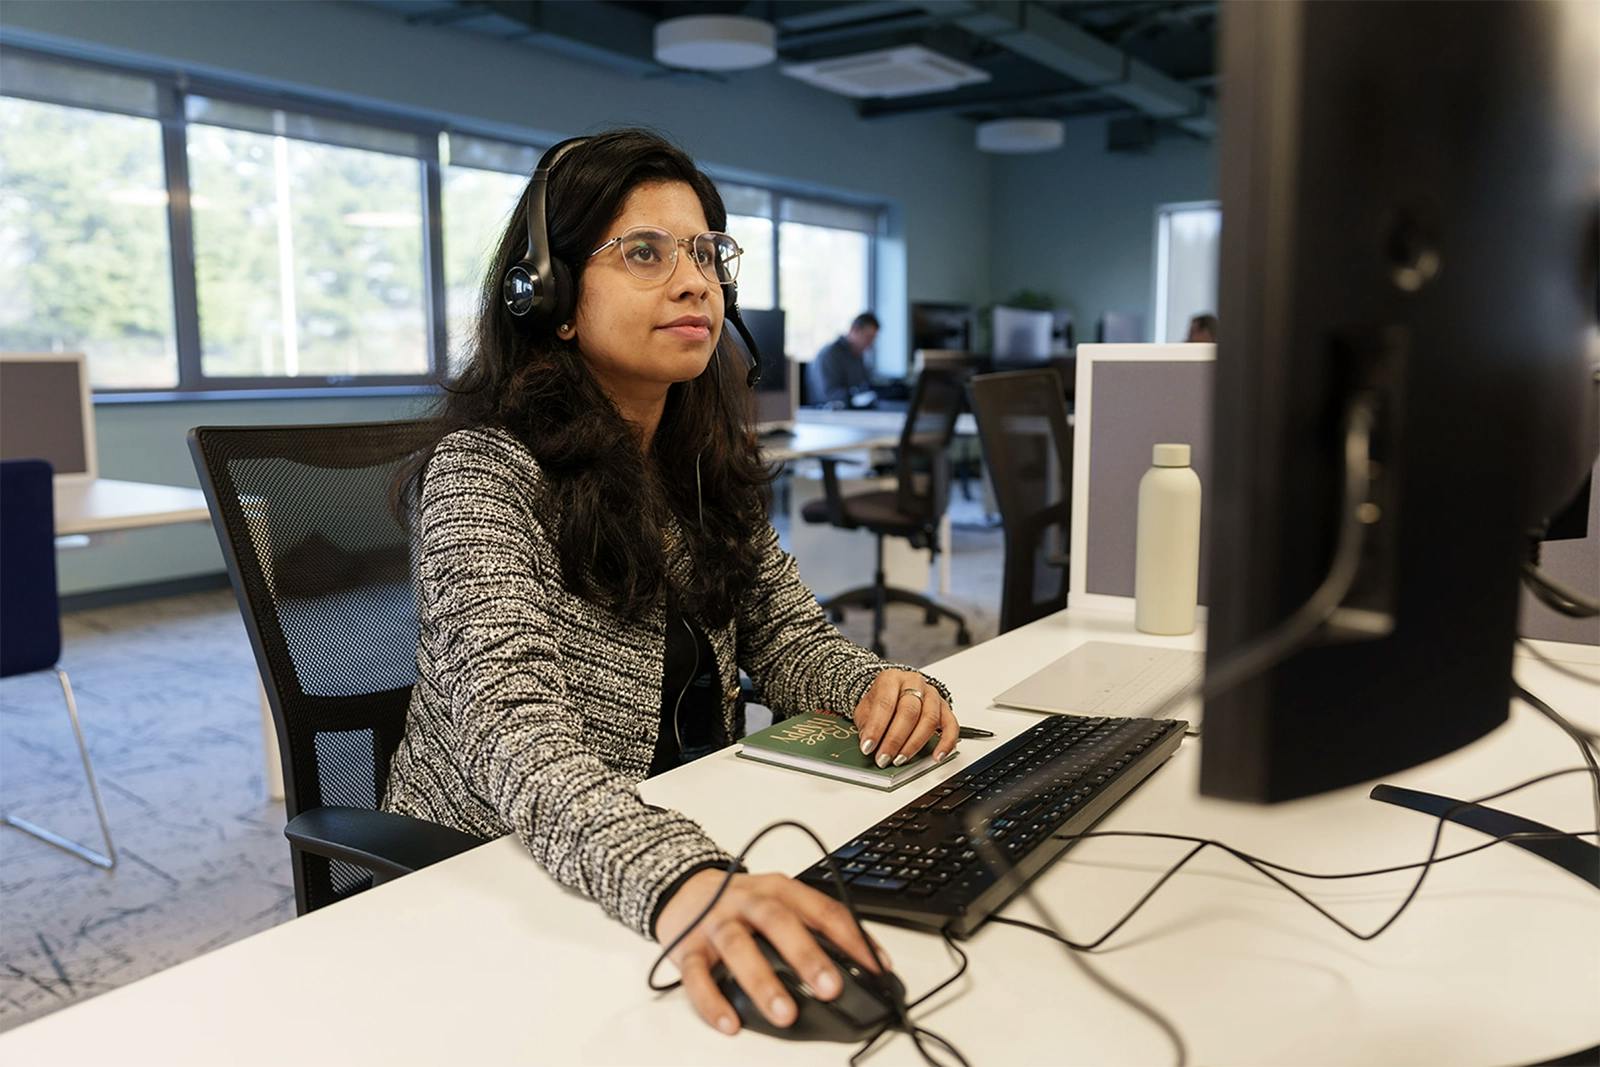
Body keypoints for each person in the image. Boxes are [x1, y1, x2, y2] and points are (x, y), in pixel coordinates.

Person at [382, 129, 960, 1038]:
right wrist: (685, 881)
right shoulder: (483, 472)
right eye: (644, 252)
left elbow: (788, 639)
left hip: (674, 836)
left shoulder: (699, 464)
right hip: (496, 874)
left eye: (706, 254)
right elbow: (515, 735)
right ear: (554, 297)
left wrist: (879, 687)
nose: (696, 282)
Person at [808, 312, 879, 407]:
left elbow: (863, 386)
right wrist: (854, 396)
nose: (870, 344)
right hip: (829, 414)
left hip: (852, 412)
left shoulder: (857, 355)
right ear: (854, 330)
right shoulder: (830, 354)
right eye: (868, 338)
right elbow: (827, 395)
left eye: (873, 339)